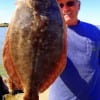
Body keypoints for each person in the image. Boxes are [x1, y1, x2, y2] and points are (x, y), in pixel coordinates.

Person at [49, 0, 100, 100]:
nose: (65, 8)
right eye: (60, 5)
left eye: (70, 3)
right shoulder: (48, 33)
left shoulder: (95, 31)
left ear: (78, 6)